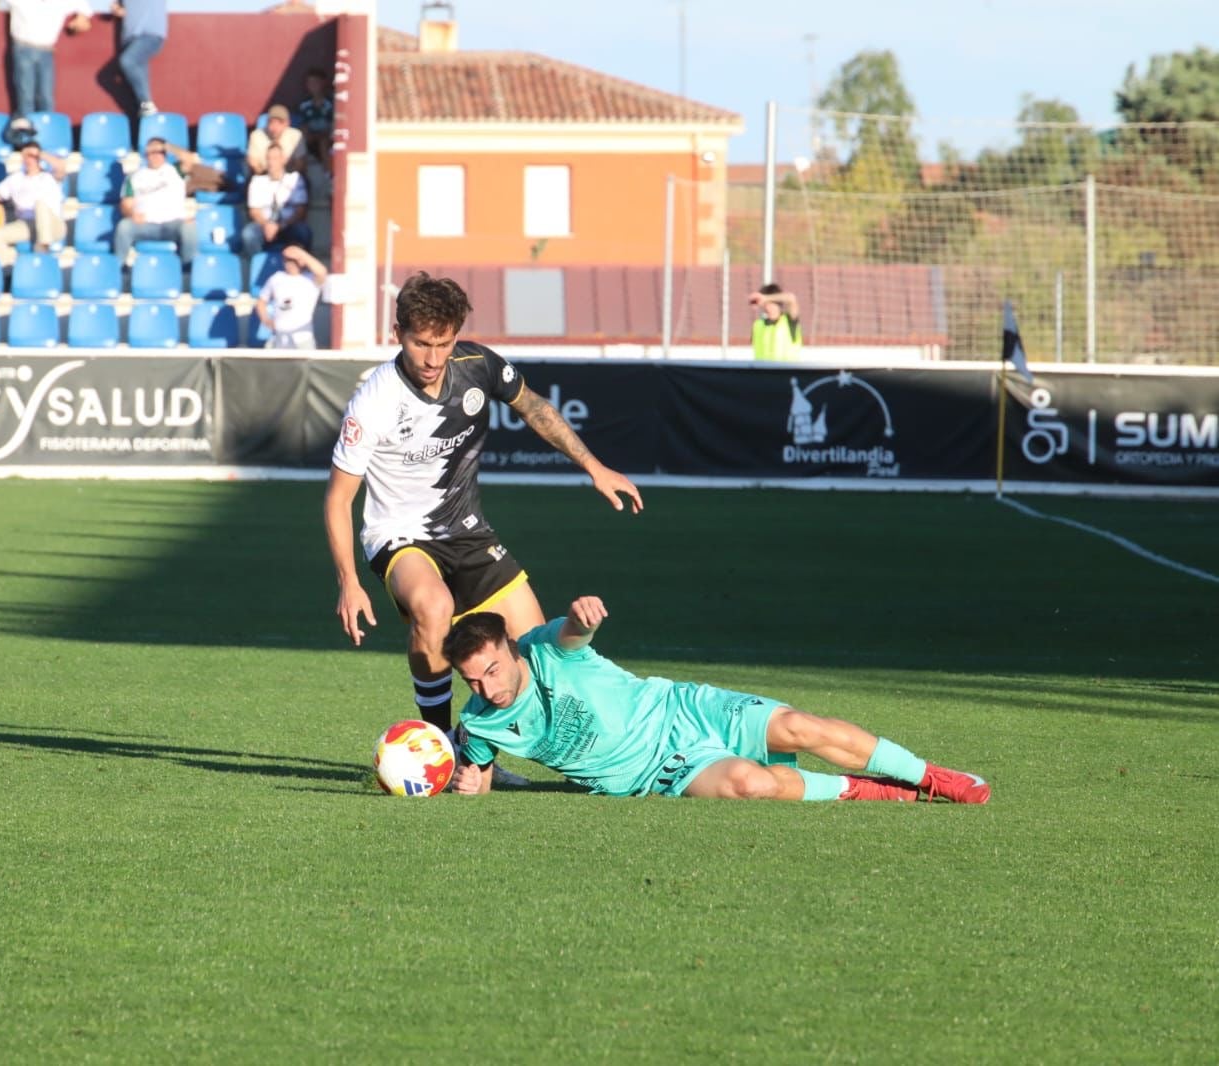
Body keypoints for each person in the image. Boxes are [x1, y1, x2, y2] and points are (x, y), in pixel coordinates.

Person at [325, 272, 643, 740]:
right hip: (398, 535)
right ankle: (438, 745)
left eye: (444, 343)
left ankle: (479, 750)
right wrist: (349, 583)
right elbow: (338, 499)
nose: (434, 359)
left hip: (469, 531)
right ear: (398, 335)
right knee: (434, 606)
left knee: (536, 657)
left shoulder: (478, 364)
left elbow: (534, 407)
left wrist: (594, 466)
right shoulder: (373, 401)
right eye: (421, 344)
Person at [443, 596, 992, 804]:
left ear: (511, 648)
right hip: (652, 773)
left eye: (492, 670)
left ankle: (931, 776)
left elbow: (573, 634)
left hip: (681, 710)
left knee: (800, 727)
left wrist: (583, 618)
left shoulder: (546, 649)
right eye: (472, 682)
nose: (488, 689)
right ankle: (867, 790)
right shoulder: (481, 722)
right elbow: (484, 776)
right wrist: (471, 784)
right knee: (748, 784)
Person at [0, 140, 66, 268]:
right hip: (27, 224)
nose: (28, 159)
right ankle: (9, 271)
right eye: (25, 156)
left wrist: (39, 154)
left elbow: (61, 167)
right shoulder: (15, 179)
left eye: (31, 156)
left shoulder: (49, 177)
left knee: (40, 205)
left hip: (53, 225)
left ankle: (42, 250)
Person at [6, 0, 92, 118]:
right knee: (26, 98)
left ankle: (46, 132)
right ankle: (25, 133)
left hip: (46, 51)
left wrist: (80, 20)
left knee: (46, 98)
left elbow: (85, 10)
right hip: (24, 47)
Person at [113, 136, 187, 263]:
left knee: (189, 228)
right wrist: (132, 214)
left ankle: (188, 271)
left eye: (160, 152)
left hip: (173, 223)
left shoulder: (175, 170)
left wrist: (167, 146)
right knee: (124, 227)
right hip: (145, 224)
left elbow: (190, 159)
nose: (156, 155)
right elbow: (126, 204)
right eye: (152, 152)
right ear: (146, 155)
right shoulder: (135, 177)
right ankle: (119, 270)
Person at [240, 143, 309, 260]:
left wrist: (282, 225)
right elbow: (254, 211)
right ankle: (260, 265)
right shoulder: (257, 181)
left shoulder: (294, 179)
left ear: (284, 160)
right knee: (249, 234)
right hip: (265, 225)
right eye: (269, 158)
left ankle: (299, 268)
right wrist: (267, 225)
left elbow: (300, 210)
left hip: (288, 225)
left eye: (275, 158)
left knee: (303, 232)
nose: (271, 162)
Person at [255, 244, 325, 349]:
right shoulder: (276, 278)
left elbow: (322, 271)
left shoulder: (311, 280)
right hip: (278, 336)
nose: (290, 263)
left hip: (302, 338)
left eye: (294, 260)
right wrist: (266, 319)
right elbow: (261, 301)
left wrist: (301, 254)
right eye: (287, 260)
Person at [110, 0, 168, 118]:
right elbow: (117, 6)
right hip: (129, 37)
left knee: (128, 61)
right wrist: (117, 8)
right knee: (138, 72)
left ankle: (146, 103)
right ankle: (146, 111)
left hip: (151, 34)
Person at [245, 103, 306, 176]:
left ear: (287, 123)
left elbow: (300, 163)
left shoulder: (296, 135)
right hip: (263, 178)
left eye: (280, 122)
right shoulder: (256, 135)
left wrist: (283, 178)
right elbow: (253, 162)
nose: (275, 127)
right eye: (271, 122)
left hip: (290, 177)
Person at [749, 283, 802, 361]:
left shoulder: (789, 321)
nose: (767, 306)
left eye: (770, 303)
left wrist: (766, 298)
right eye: (765, 304)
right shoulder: (758, 325)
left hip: (786, 371)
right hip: (762, 372)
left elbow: (791, 298)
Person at [296, 67, 334, 166]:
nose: (312, 86)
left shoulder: (331, 103)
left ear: (323, 83)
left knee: (323, 142)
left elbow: (333, 125)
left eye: (315, 82)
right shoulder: (304, 104)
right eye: (309, 83)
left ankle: (328, 173)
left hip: (327, 137)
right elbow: (303, 124)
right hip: (311, 136)